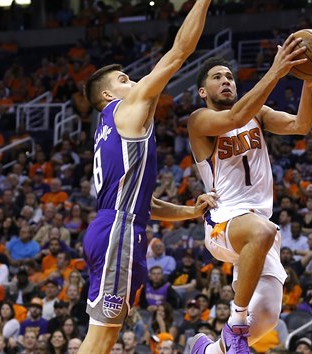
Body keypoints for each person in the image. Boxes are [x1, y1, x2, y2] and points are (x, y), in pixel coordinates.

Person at [185, 32, 312, 354]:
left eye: (229, 76)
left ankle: (208, 350)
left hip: (257, 227)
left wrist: (308, 83)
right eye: (216, 77)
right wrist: (276, 71)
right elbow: (234, 117)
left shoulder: (257, 113)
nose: (226, 81)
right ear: (202, 91)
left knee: (266, 316)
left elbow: (301, 126)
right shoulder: (200, 120)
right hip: (224, 224)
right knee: (262, 231)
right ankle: (236, 323)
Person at [78, 1, 214, 353]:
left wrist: (187, 213)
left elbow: (144, 202)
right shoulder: (124, 110)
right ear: (109, 95)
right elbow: (180, 51)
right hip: (117, 231)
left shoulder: (110, 130)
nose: (133, 82)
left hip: (116, 225)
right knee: (102, 337)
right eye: (124, 80)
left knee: (103, 335)